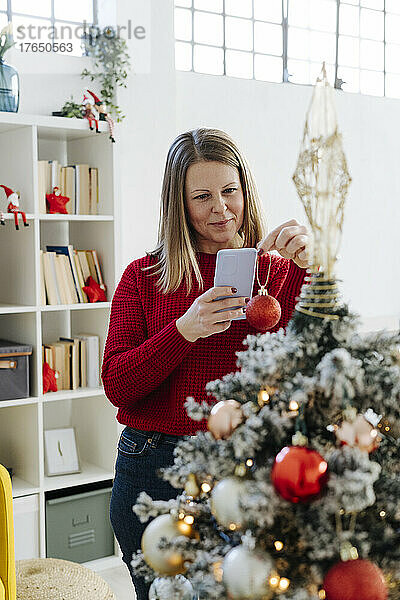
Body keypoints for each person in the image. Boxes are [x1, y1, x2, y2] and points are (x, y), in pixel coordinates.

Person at [101, 127, 309, 599]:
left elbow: (310, 358)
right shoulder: (144, 277)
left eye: (230, 191)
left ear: (245, 191)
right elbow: (117, 383)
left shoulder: (278, 273)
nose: (221, 208)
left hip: (239, 467)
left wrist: (315, 267)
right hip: (152, 462)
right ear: (180, 205)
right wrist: (183, 332)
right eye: (203, 197)